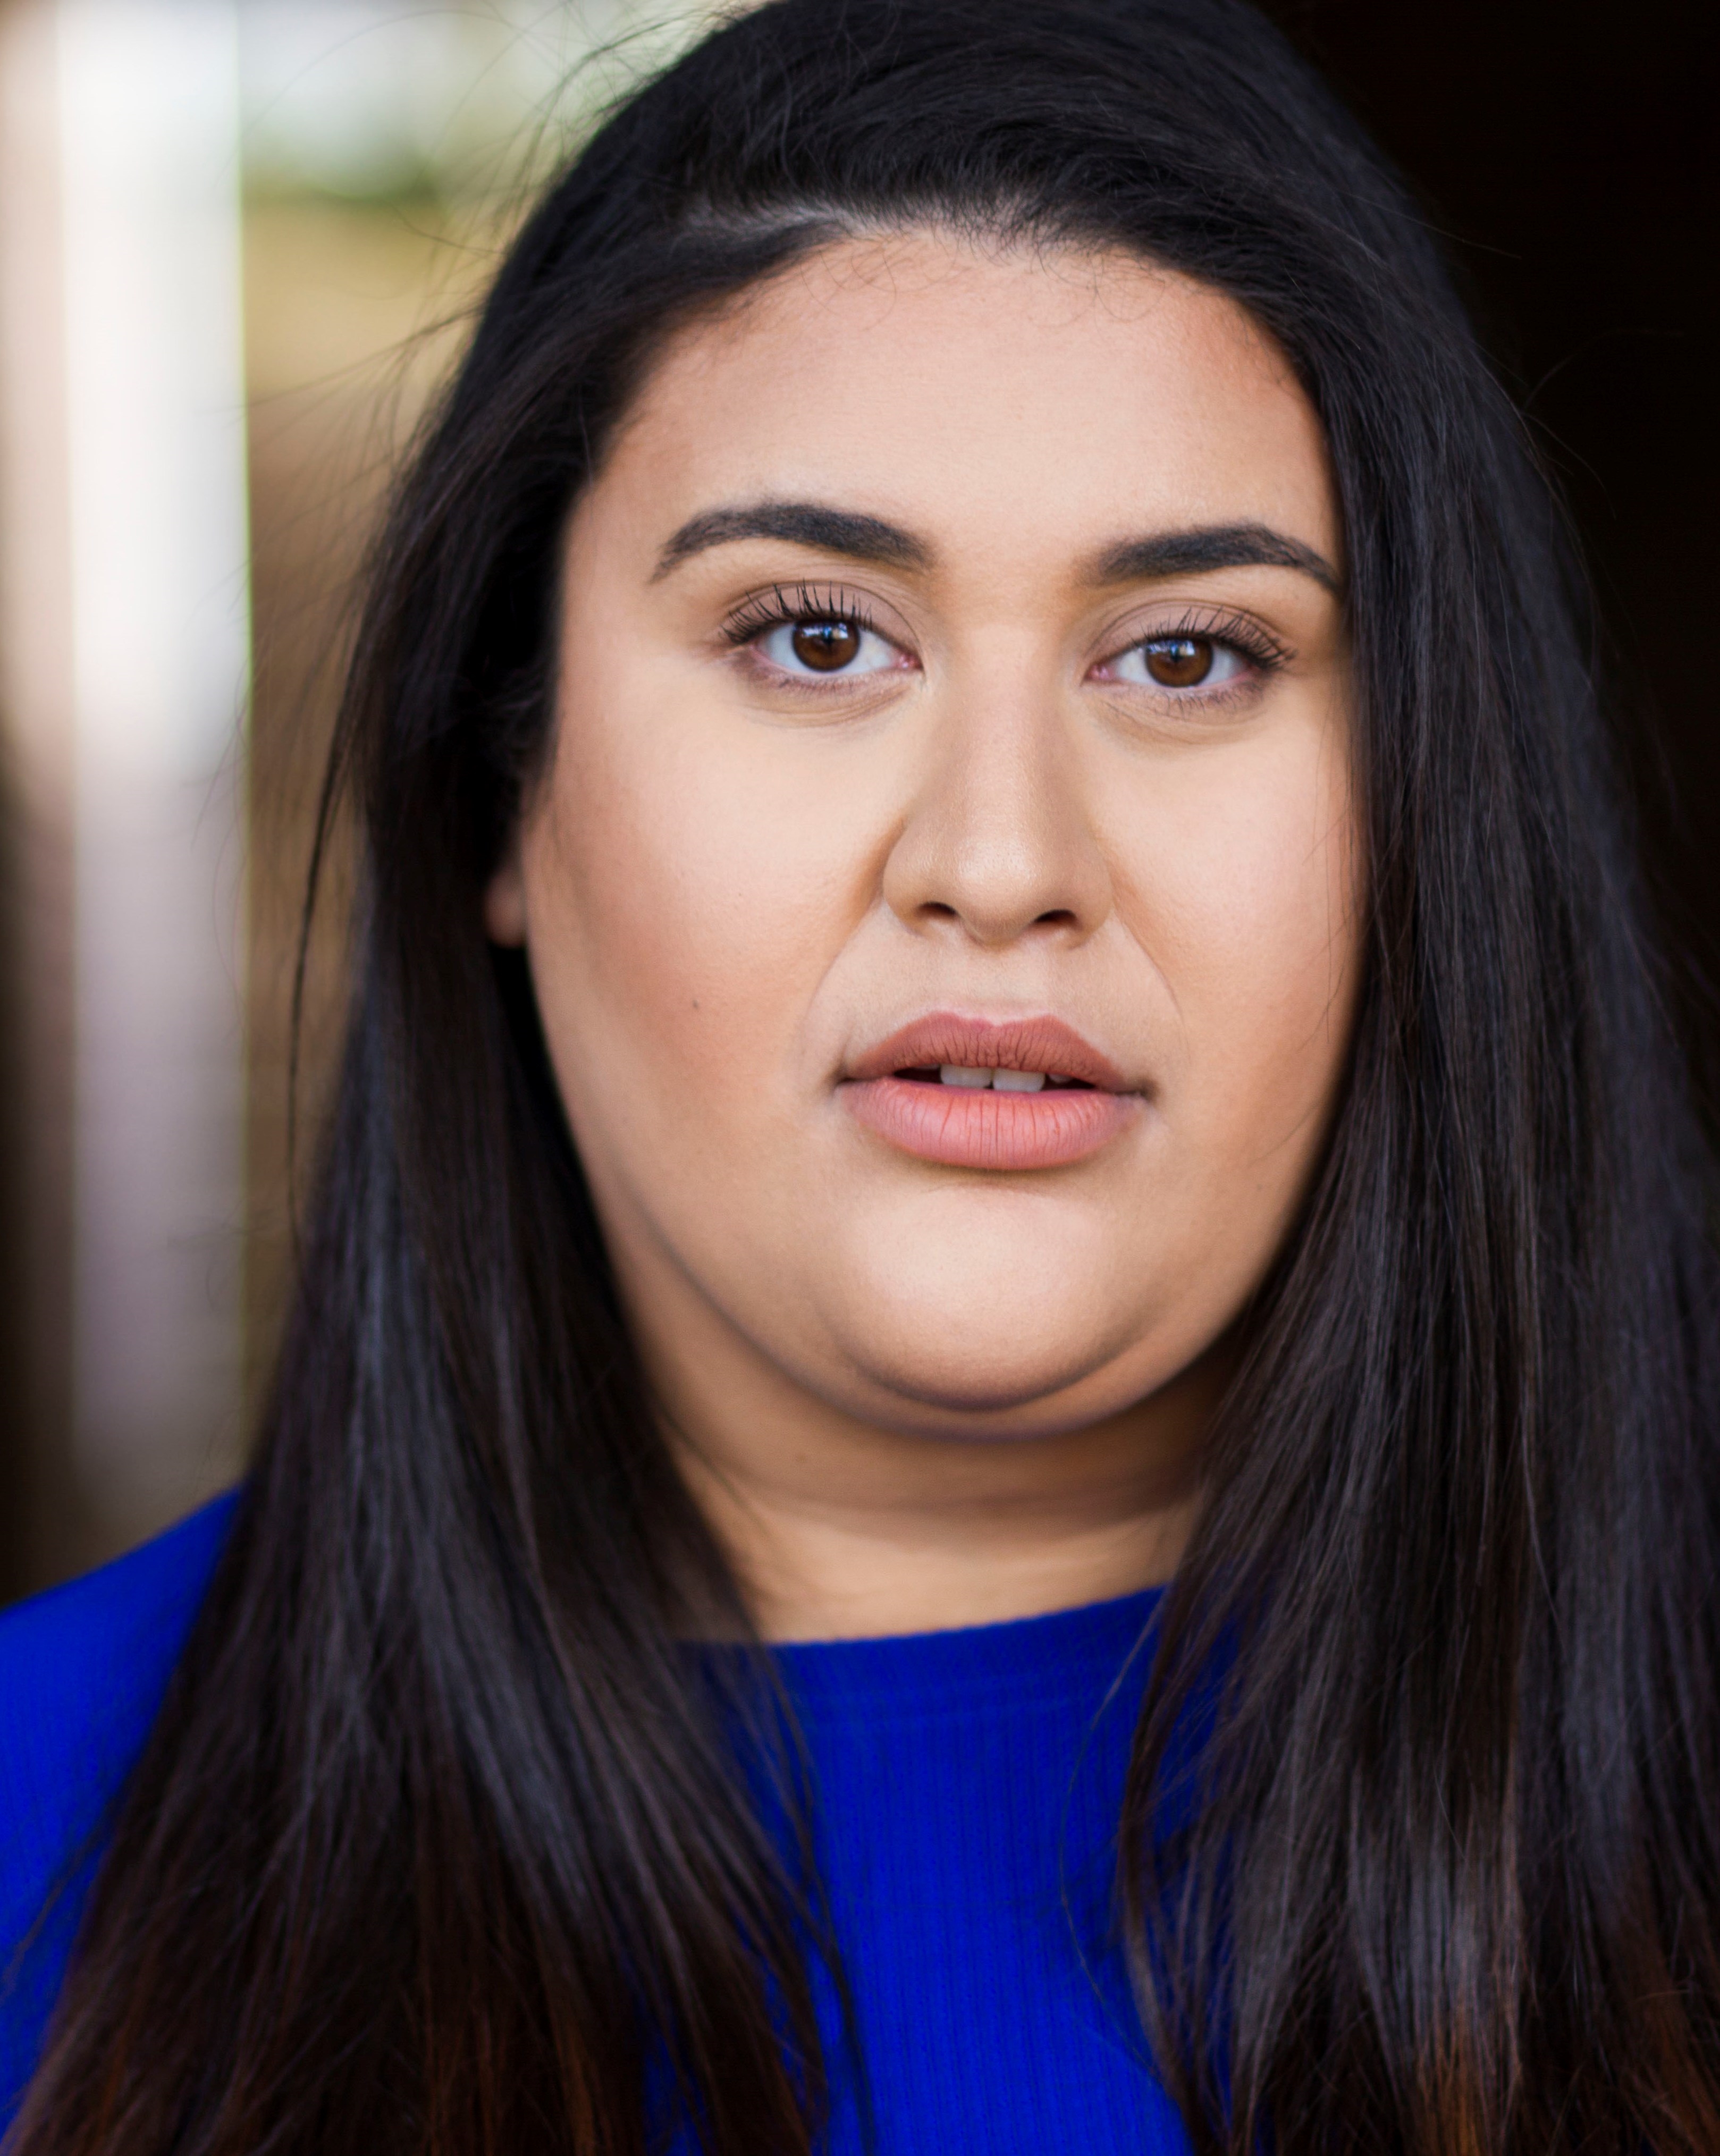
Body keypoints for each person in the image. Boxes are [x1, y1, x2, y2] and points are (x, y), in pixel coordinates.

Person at [4, 0, 1719, 2148]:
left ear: (1420, 822)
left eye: (1186, 656)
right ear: (497, 790)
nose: (999, 862)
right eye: (814, 637)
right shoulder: (31, 1844)